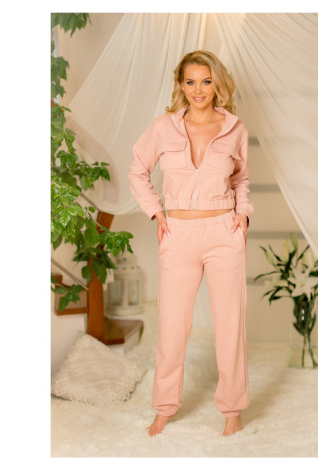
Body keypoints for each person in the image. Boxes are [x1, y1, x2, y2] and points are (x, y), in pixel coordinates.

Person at [128, 50, 254, 437]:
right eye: (190, 82)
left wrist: (243, 215)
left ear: (217, 84)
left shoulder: (235, 128)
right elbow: (137, 171)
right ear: (181, 85)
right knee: (172, 327)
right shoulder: (162, 128)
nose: (198, 90)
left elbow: (240, 180)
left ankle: (232, 410)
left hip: (223, 234)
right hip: (178, 235)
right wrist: (157, 212)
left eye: (206, 81)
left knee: (230, 327)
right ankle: (164, 408)